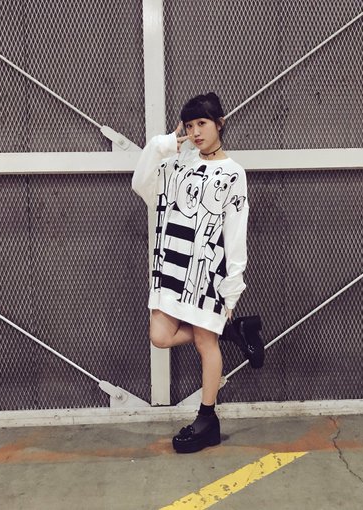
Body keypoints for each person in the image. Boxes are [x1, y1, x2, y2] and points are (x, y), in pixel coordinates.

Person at [132, 92, 260, 453]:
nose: (196, 132)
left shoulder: (233, 173)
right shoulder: (177, 164)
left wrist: (232, 287)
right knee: (160, 336)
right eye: (189, 125)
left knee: (206, 343)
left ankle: (207, 418)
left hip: (206, 273)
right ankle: (231, 329)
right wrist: (164, 144)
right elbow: (141, 184)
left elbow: (235, 231)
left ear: (220, 123)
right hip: (170, 269)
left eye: (202, 123)